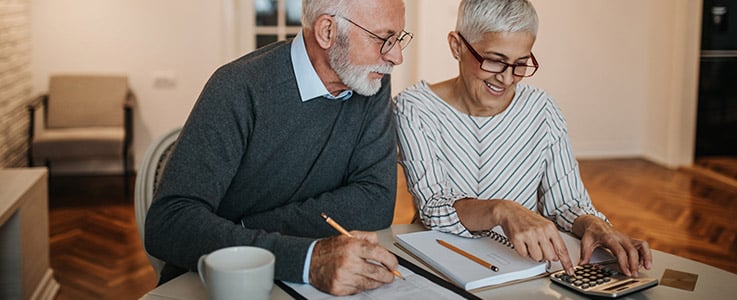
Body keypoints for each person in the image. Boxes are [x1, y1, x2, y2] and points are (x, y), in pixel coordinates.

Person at [145, 0, 413, 296]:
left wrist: (244, 228)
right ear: (327, 31)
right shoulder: (238, 87)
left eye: (398, 38)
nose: (396, 56)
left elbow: (375, 203)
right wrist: (306, 259)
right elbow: (169, 223)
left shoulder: (370, 82)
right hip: (217, 283)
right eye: (383, 39)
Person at [393, 0, 651, 278]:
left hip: (522, 268)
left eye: (520, 64)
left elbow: (566, 203)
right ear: (457, 46)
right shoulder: (415, 108)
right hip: (442, 263)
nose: (506, 79)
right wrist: (502, 210)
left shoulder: (541, 109)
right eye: (494, 60)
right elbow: (434, 207)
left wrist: (593, 225)